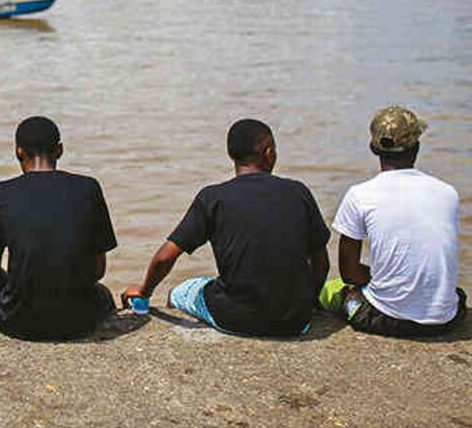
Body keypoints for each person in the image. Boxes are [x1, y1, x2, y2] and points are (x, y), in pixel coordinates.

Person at [121, 119, 330, 336]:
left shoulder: (213, 198)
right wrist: (306, 303)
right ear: (269, 153)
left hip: (235, 318)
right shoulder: (298, 192)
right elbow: (321, 264)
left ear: (232, 155)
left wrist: (144, 291)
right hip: (296, 321)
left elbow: (166, 257)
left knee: (178, 292)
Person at [317, 106, 467, 337]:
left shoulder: (359, 195)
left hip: (386, 319)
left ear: (372, 148)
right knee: (457, 293)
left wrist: (384, 279)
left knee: (338, 291)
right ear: (416, 147)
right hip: (444, 319)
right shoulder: (448, 193)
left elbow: (349, 272)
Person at [0, 116, 117, 340]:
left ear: (18, 151)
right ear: (59, 150)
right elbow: (98, 271)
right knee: (103, 293)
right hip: (79, 320)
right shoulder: (88, 189)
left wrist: (17, 283)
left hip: (19, 321)